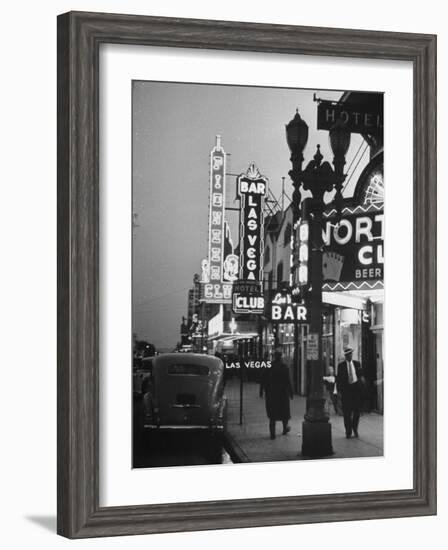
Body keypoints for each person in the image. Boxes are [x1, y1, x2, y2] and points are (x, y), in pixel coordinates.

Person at [260, 348, 294, 439]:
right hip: (282, 393)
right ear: (281, 357)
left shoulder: (269, 367)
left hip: (271, 394)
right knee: (284, 413)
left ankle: (272, 434)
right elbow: (287, 381)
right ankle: (285, 428)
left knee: (272, 415)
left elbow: (263, 379)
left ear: (274, 357)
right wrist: (291, 392)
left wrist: (263, 390)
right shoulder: (284, 367)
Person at [336, 346, 365, 438]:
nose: (349, 356)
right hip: (346, 391)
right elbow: (339, 379)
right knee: (347, 413)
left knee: (357, 412)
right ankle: (348, 431)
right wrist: (339, 391)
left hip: (356, 391)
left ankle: (355, 428)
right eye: (348, 355)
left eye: (351, 354)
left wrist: (362, 383)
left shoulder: (357, 364)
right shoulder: (341, 366)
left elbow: (361, 376)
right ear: (345, 356)